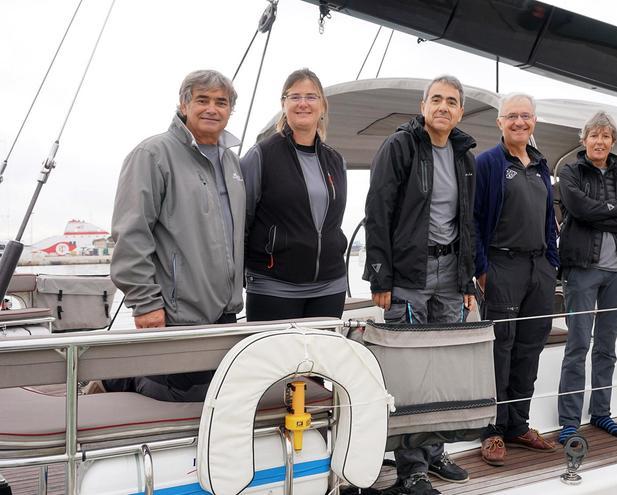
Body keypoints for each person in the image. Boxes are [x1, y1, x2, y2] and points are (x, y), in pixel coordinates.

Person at [363, 75, 476, 494]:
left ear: (460, 111)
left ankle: (434, 451)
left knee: (442, 369)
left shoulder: (465, 155)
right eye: (436, 99)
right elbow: (378, 209)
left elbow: (468, 221)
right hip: (409, 275)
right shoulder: (401, 146)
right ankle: (411, 467)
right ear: (423, 105)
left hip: (450, 276)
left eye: (451, 101)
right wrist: (380, 273)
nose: (443, 107)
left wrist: (466, 279)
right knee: (411, 374)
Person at [105, 69, 245, 401]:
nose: (212, 109)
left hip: (224, 313)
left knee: (212, 402)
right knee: (169, 400)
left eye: (221, 102)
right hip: (174, 313)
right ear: (184, 105)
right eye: (202, 100)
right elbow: (131, 233)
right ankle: (114, 384)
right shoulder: (153, 155)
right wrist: (145, 302)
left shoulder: (232, 163)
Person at [473, 93, 558, 466]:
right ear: (499, 123)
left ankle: (518, 424)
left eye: (525, 116)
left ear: (534, 121)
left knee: (530, 347)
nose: (519, 122)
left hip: (538, 269)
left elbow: (547, 221)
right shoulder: (488, 163)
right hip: (502, 265)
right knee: (500, 348)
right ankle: (492, 429)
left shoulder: (541, 164)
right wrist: (481, 269)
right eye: (511, 116)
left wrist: (551, 263)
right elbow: (474, 221)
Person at [555, 111, 617, 444]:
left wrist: (603, 212)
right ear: (584, 139)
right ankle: (568, 421)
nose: (599, 141)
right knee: (577, 345)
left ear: (613, 141)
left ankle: (602, 413)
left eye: (606, 136)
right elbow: (579, 210)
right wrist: (614, 208)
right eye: (594, 135)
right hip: (582, 269)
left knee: (606, 347)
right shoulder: (570, 171)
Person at [241, 69, 347, 321]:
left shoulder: (335, 160)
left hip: (329, 286)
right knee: (273, 361)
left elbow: (333, 221)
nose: (303, 104)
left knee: (322, 360)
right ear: (283, 104)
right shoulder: (261, 155)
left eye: (311, 97)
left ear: (322, 106)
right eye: (295, 96)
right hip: (273, 284)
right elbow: (241, 222)